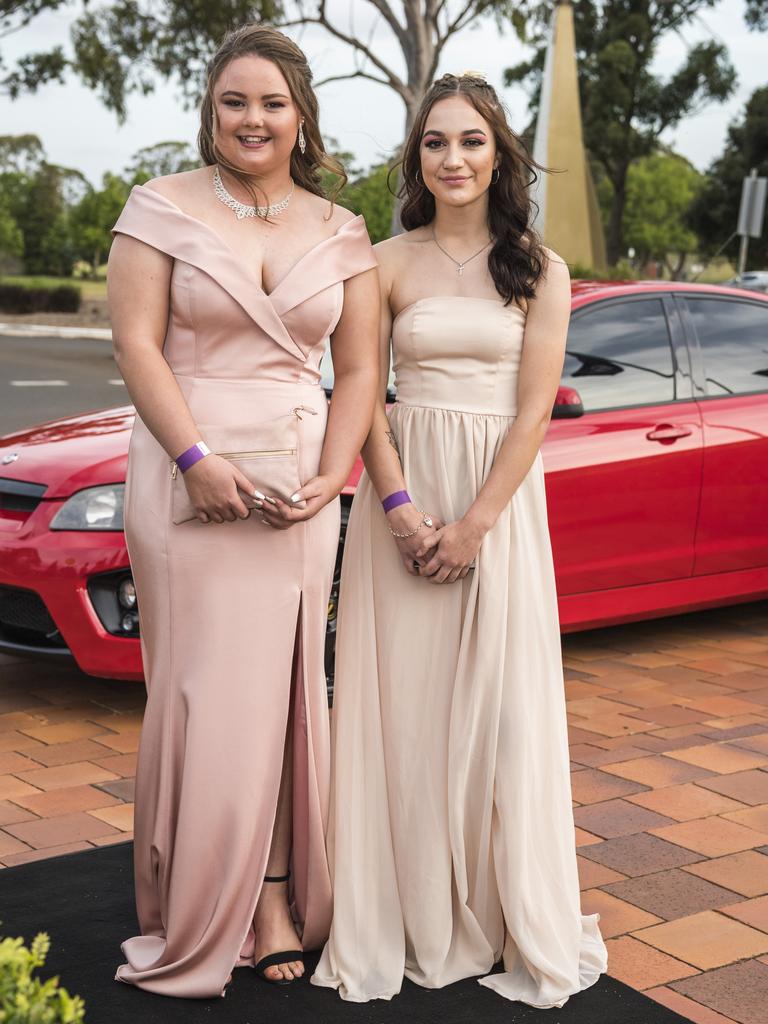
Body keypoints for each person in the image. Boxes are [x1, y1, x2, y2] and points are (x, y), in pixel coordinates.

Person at [312, 72, 607, 1009]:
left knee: (499, 716)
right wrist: (396, 509)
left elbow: (534, 413)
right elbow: (360, 394)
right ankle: (400, 913)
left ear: (500, 154)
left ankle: (495, 907)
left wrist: (476, 524)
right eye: (436, 142)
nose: (453, 159)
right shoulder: (384, 262)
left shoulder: (542, 270)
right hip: (403, 501)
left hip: (500, 510)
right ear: (417, 158)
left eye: (471, 142)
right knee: (402, 713)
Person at [107, 24, 379, 999]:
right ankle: (192, 903)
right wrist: (194, 459)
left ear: (299, 113)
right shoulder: (158, 208)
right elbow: (137, 345)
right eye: (234, 101)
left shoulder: (342, 229)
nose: (252, 119)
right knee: (201, 696)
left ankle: (268, 894)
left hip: (299, 490)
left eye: (271, 102)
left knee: (285, 696)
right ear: (209, 110)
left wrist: (338, 470)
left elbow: (360, 369)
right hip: (189, 482)